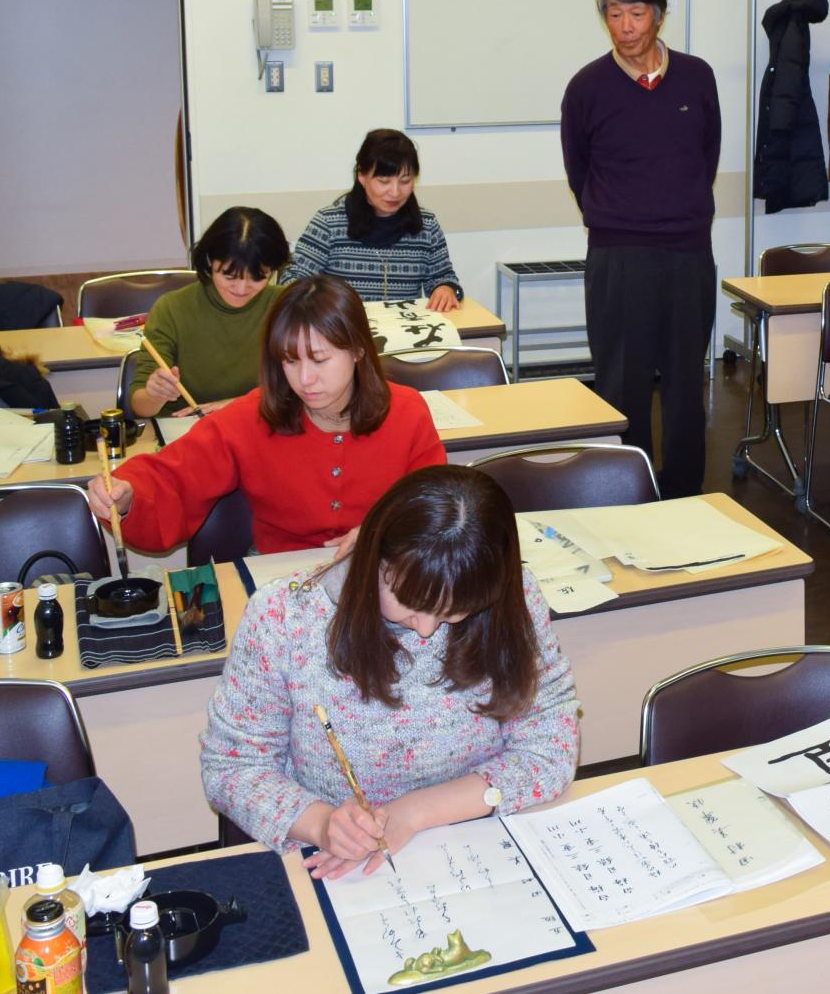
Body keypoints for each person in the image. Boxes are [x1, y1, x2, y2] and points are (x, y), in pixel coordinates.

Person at [200, 464, 577, 877]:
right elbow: (233, 768)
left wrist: (414, 813)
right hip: (333, 860)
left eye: (455, 612)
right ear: (374, 556)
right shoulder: (285, 617)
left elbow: (550, 749)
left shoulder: (515, 598)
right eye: (410, 603)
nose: (427, 629)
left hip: (476, 841)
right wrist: (322, 824)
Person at [90, 275, 446, 555]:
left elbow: (435, 506)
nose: (304, 379)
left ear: (357, 350)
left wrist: (381, 535)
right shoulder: (253, 415)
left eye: (319, 360)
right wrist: (127, 495)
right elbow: (174, 477)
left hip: (382, 567)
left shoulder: (407, 411)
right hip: (280, 576)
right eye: (290, 361)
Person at [559, 0, 720, 499]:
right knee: (622, 381)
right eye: (614, 14)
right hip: (618, 250)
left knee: (684, 381)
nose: (626, 26)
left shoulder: (697, 76)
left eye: (636, 13)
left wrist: (681, 207)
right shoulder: (586, 87)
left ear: (659, 16)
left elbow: (707, 155)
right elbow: (579, 169)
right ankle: (629, 488)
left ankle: (683, 493)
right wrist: (615, 213)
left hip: (687, 249)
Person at [128, 207, 289, 418]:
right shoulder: (172, 308)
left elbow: (302, 389)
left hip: (259, 422)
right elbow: (140, 406)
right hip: (186, 425)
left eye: (258, 277)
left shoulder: (286, 306)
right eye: (229, 276)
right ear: (210, 261)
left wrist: (234, 406)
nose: (241, 289)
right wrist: (155, 394)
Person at [288, 129, 463, 310]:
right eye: (384, 181)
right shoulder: (329, 224)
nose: (395, 192)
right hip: (346, 326)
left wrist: (446, 288)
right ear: (362, 176)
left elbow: (444, 278)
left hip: (404, 326)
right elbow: (292, 282)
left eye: (405, 181)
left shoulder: (426, 225)